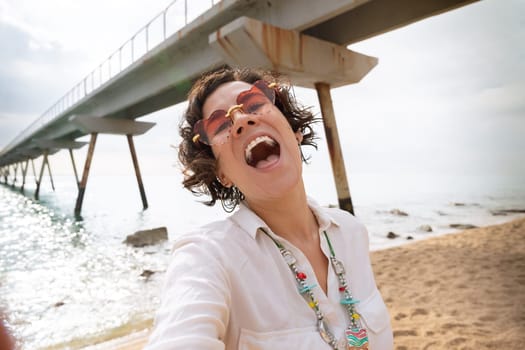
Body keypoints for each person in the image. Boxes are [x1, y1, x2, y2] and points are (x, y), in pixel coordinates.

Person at [145, 67, 393, 349]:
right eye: (220, 125)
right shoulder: (208, 256)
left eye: (253, 103)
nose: (241, 119)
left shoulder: (351, 231)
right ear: (221, 173)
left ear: (294, 130)